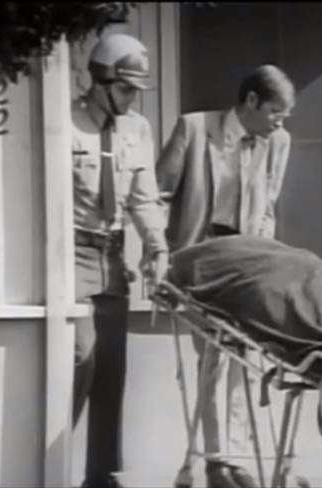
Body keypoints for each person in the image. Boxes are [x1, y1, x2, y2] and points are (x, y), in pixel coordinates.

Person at [155, 64, 295, 487]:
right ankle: (218, 460)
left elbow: (268, 206)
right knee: (212, 357)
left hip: (246, 264)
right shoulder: (195, 129)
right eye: (275, 111)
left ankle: (229, 459)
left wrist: (265, 254)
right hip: (200, 263)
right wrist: (158, 257)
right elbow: (158, 195)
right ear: (251, 100)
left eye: (285, 115)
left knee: (245, 357)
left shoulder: (279, 142)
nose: (280, 122)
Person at [72, 33, 168, 488]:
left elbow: (144, 199)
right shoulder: (66, 124)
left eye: (136, 90)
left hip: (113, 255)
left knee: (111, 369)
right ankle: (52, 465)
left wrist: (157, 247)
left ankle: (100, 475)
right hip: (71, 253)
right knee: (81, 359)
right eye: (126, 88)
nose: (132, 99)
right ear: (101, 81)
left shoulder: (137, 129)